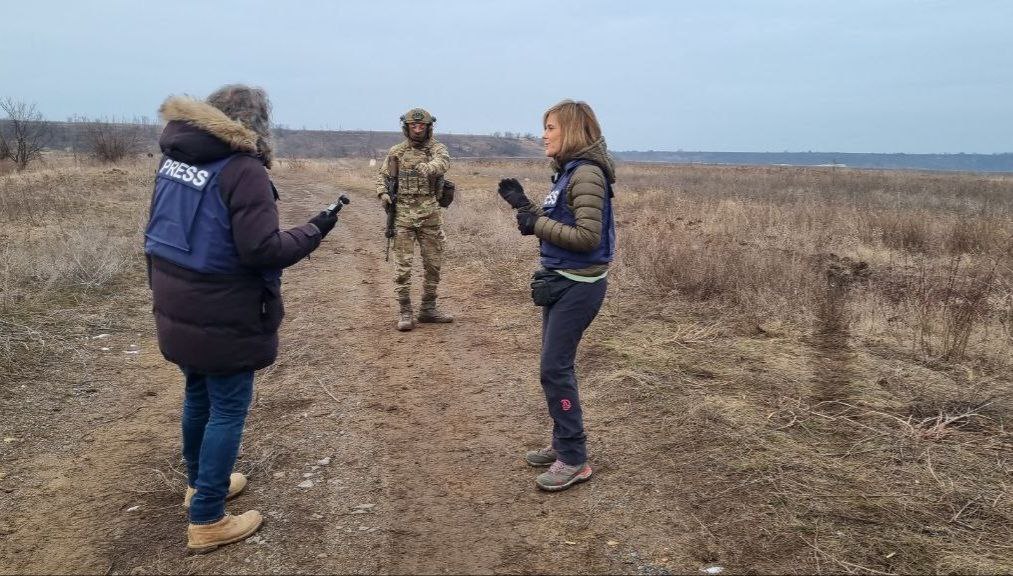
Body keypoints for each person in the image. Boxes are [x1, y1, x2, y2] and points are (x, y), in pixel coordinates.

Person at [144, 85, 339, 552]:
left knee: (197, 393)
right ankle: (208, 517)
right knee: (228, 407)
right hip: (222, 303)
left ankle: (199, 485)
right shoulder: (242, 168)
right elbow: (261, 250)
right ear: (256, 122)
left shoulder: (176, 159)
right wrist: (315, 229)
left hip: (176, 295)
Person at [496, 100, 616, 491]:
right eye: (543, 127)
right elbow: (555, 222)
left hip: (579, 286)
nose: (543, 135)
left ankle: (574, 458)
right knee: (552, 369)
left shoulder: (587, 175)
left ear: (573, 131)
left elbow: (586, 237)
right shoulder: (566, 174)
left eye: (550, 127)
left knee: (554, 368)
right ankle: (564, 443)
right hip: (560, 279)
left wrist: (537, 223)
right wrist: (526, 208)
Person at [376, 108, 453, 331]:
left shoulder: (437, 149)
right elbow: (382, 178)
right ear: (407, 127)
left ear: (428, 127)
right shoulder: (396, 152)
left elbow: (443, 163)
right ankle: (405, 311)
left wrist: (428, 168)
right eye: (413, 126)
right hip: (403, 217)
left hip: (430, 215)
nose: (417, 129)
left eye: (421, 126)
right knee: (403, 267)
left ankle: (428, 309)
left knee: (433, 264)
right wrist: (383, 194)